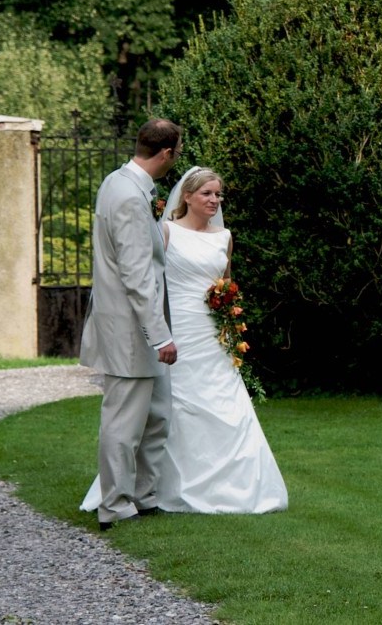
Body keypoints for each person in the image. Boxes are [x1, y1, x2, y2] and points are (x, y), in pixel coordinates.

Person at [82, 166, 287, 514]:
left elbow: (226, 283)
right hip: (176, 329)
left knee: (225, 402)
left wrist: (228, 313)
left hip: (211, 333)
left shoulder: (224, 236)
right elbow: (150, 281)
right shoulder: (166, 232)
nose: (214, 200)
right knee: (169, 409)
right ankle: (153, 489)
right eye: (207, 193)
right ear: (187, 196)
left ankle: (232, 487)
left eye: (218, 194)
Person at [80, 119, 182, 531]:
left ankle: (144, 494)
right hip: (130, 329)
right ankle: (116, 505)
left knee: (156, 415)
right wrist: (160, 335)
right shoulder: (126, 195)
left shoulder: (122, 184)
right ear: (167, 153)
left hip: (137, 326)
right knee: (124, 422)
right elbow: (137, 274)